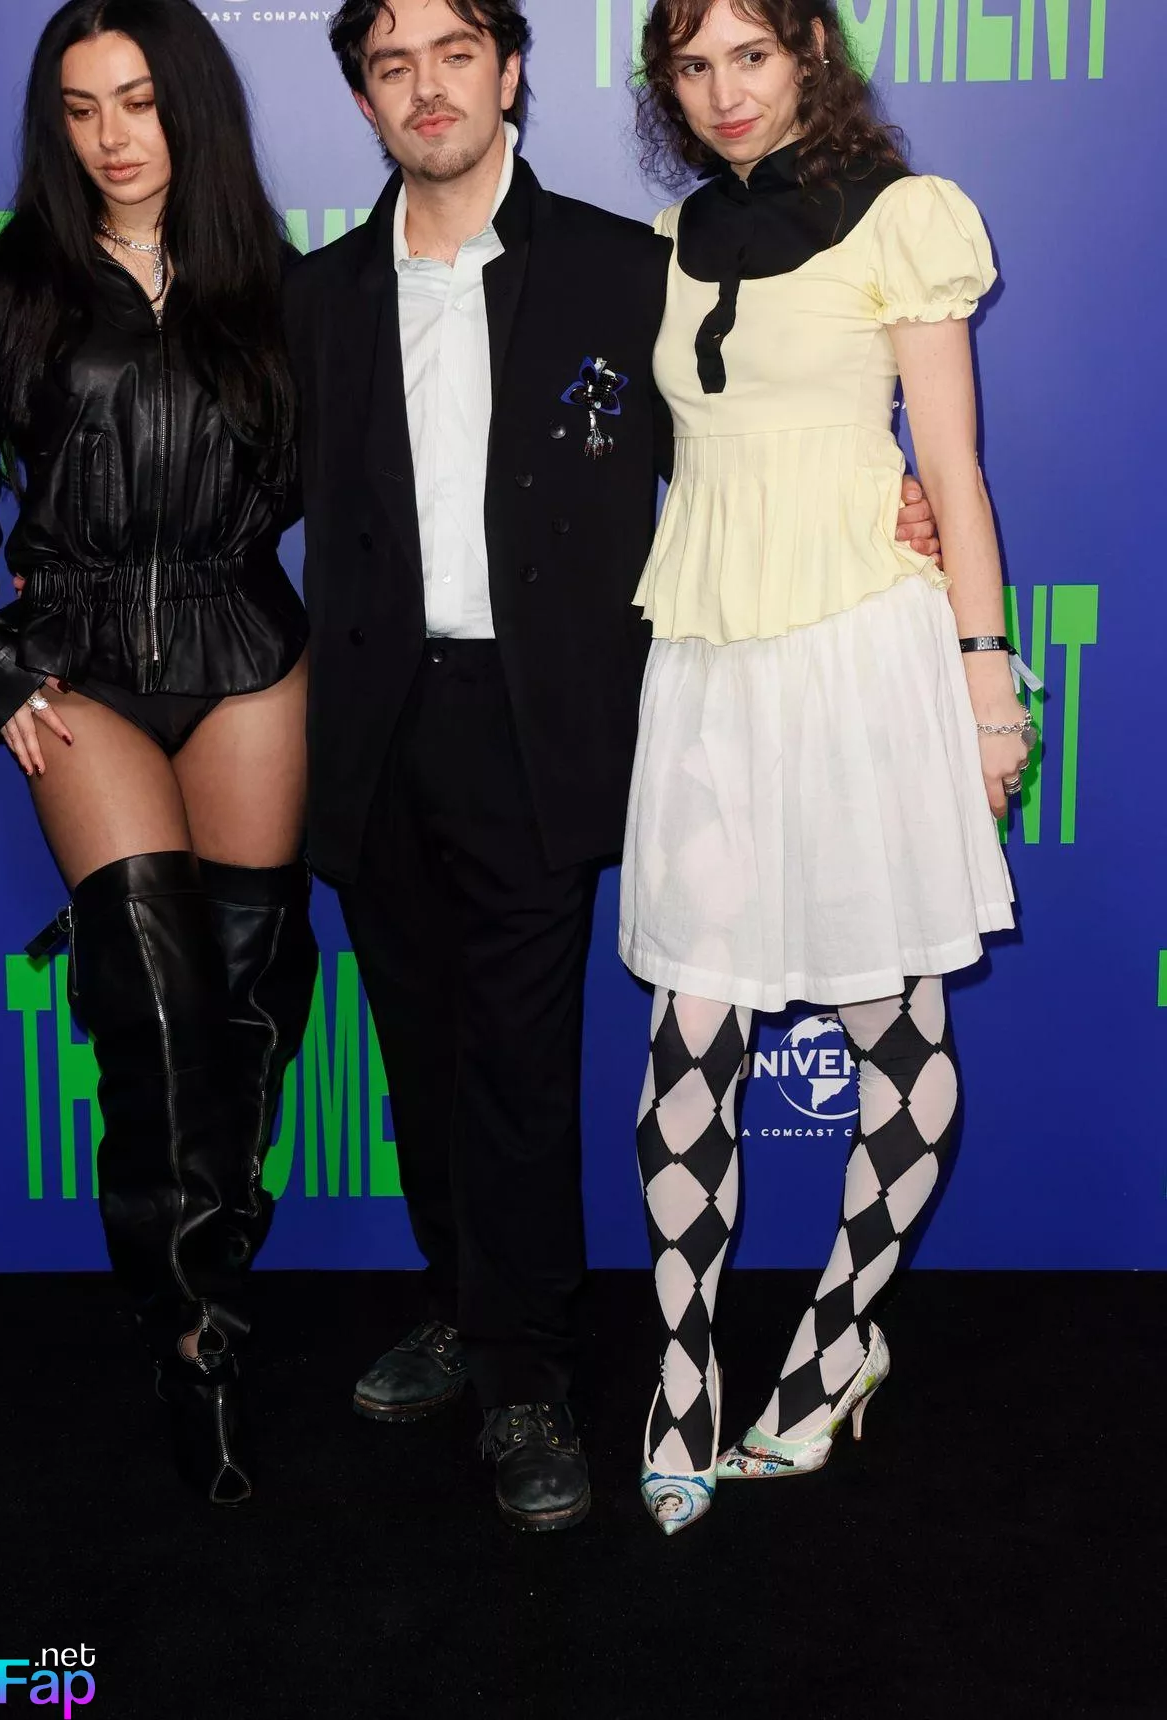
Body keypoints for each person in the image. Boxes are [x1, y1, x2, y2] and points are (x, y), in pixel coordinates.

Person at [289, 0, 939, 1531]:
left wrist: (891, 502)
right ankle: (458, 1303)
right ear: (365, 100)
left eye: (456, 53)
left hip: (541, 720)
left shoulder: (618, 265)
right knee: (419, 1048)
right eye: (393, 65)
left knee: (520, 1064)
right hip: (375, 725)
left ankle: (526, 1374)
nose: (427, 88)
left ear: (509, 72)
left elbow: (737, 440)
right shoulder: (313, 295)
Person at [0, 0, 317, 1508]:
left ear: (187, 101)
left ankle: (218, 1282)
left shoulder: (276, 284)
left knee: (248, 1009)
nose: (111, 137)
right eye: (79, 110)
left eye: (136, 101)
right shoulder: (14, 284)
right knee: (153, 1005)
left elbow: (378, 479)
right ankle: (189, 1333)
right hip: (79, 668)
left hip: (247, 649)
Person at [620, 0, 1031, 1536]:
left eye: (751, 54)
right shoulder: (664, 242)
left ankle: (840, 1338)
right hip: (709, 665)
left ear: (808, 54)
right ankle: (681, 1375)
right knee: (691, 1028)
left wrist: (989, 687)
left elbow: (954, 470)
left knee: (894, 1029)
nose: (723, 90)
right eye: (692, 64)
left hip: (861, 656)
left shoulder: (905, 218)